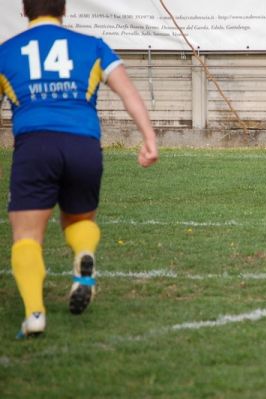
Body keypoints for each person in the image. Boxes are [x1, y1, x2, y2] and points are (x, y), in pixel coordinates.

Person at [0, 0, 159, 338]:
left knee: (27, 236)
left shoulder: (7, 51)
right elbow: (128, 92)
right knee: (79, 220)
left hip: (35, 145)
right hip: (83, 145)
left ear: (24, 11)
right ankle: (84, 257)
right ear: (65, 10)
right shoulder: (93, 46)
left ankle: (35, 314)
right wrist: (148, 138)